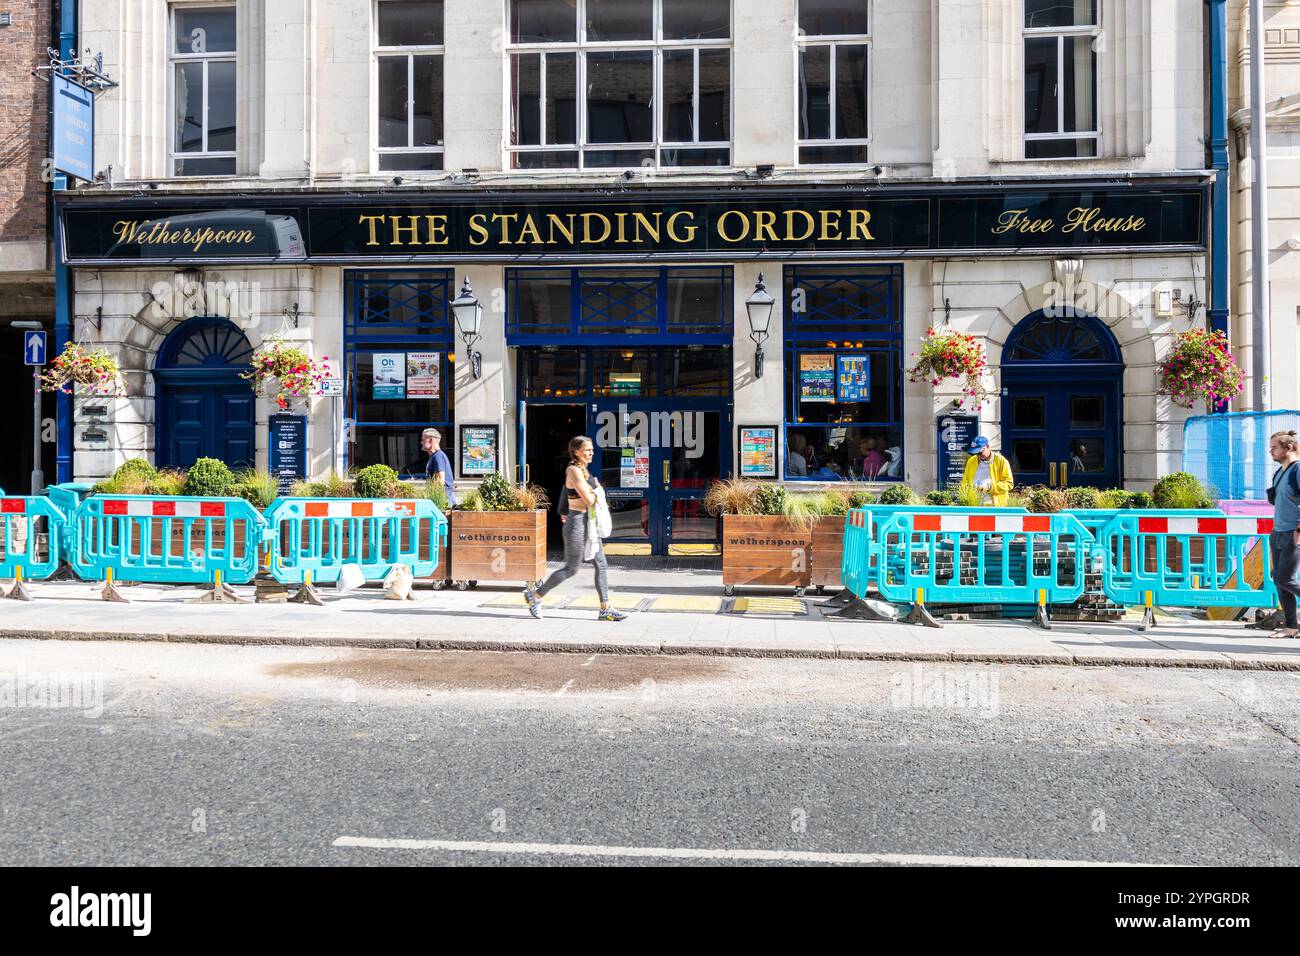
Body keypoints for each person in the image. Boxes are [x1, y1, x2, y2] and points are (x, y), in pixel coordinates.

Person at [525, 435, 628, 622]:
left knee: (601, 564)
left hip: (588, 523)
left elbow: (581, 496)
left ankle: (605, 608)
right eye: (588, 450)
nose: (591, 453)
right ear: (576, 451)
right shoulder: (573, 470)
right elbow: (588, 500)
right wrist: (597, 489)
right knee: (571, 569)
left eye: (592, 450)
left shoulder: (584, 471)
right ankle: (536, 596)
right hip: (577, 524)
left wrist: (593, 490)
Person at [1266, 429, 1300, 639]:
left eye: (1274, 448)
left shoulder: (1298, 470)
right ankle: (1291, 626)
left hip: (1293, 533)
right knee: (1279, 580)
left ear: (1289, 447)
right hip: (1278, 532)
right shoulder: (1279, 473)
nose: (1271, 452)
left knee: (1285, 578)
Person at [960, 435, 1014, 506]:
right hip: (975, 503)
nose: (978, 455)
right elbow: (965, 482)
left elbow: (1009, 483)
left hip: (995, 504)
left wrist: (990, 487)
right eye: (976, 453)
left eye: (980, 452)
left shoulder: (1001, 461)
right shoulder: (971, 461)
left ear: (988, 446)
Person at [420, 428, 456, 507]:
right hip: (442, 501)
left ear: (430, 441)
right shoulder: (435, 456)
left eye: (423, 440)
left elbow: (440, 481)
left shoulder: (438, 456)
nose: (421, 442)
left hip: (443, 502)